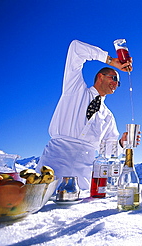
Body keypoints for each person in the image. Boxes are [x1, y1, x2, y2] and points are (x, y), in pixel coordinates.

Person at [37, 40, 134, 190]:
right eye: (114, 78)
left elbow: (107, 151)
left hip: (83, 178)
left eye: (118, 83)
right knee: (41, 206)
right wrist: (110, 61)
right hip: (54, 164)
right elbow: (76, 48)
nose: (116, 84)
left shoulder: (108, 116)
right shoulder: (74, 90)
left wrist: (121, 142)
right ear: (100, 77)